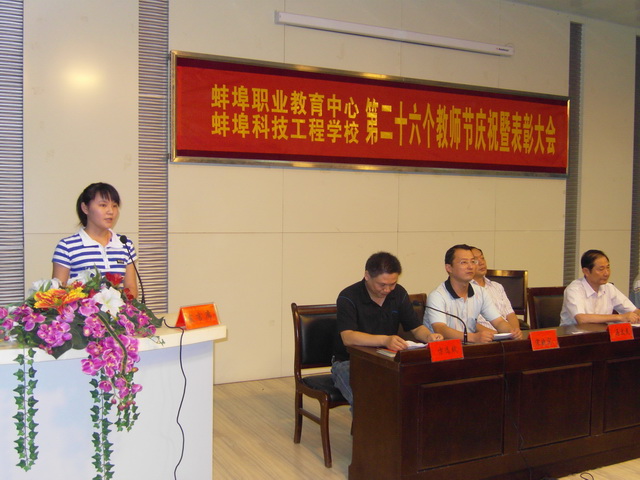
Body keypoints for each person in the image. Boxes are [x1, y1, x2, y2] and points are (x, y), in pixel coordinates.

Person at [331, 251, 443, 406]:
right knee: (367, 399)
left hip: (387, 360)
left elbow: (416, 327)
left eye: (393, 284)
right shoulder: (348, 296)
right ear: (367, 276)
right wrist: (385, 340)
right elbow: (348, 337)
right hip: (350, 362)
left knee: (416, 391)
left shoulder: (399, 293)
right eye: (382, 284)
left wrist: (429, 336)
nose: (388, 289)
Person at [52, 182, 139, 299]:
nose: (111, 211)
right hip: (84, 310)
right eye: (103, 205)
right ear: (85, 208)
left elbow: (131, 287)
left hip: (119, 310)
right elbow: (57, 292)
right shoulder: (67, 246)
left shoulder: (125, 244)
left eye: (114, 206)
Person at [424, 244, 522, 343]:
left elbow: (498, 321)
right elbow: (440, 328)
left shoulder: (480, 292)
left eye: (473, 261)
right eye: (464, 262)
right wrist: (473, 337)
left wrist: (511, 332)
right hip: (444, 348)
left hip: (470, 346)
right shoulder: (437, 296)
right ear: (449, 268)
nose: (470, 266)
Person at [560, 249, 640, 326]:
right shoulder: (574, 290)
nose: (606, 273)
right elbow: (581, 319)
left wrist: (635, 315)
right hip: (574, 334)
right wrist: (619, 317)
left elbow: (634, 311)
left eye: (608, 267)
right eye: (601, 269)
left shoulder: (609, 288)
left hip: (602, 333)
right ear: (586, 271)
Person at [470, 246, 522, 332]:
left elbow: (510, 314)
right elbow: (469, 323)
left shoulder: (497, 286)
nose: (482, 263)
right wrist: (496, 335)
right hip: (484, 336)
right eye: (475, 260)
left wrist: (515, 331)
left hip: (506, 333)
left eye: (482, 258)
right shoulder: (465, 289)